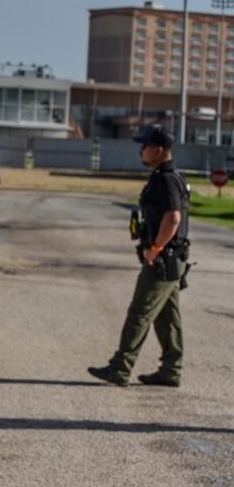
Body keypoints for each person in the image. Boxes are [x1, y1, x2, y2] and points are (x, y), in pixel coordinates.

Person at [89, 124, 189, 388]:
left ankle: (120, 368)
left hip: (163, 259)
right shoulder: (171, 176)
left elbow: (173, 218)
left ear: (158, 150)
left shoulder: (166, 180)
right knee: (167, 316)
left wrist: (155, 248)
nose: (141, 149)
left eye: (145, 146)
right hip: (172, 259)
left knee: (140, 312)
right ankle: (171, 370)